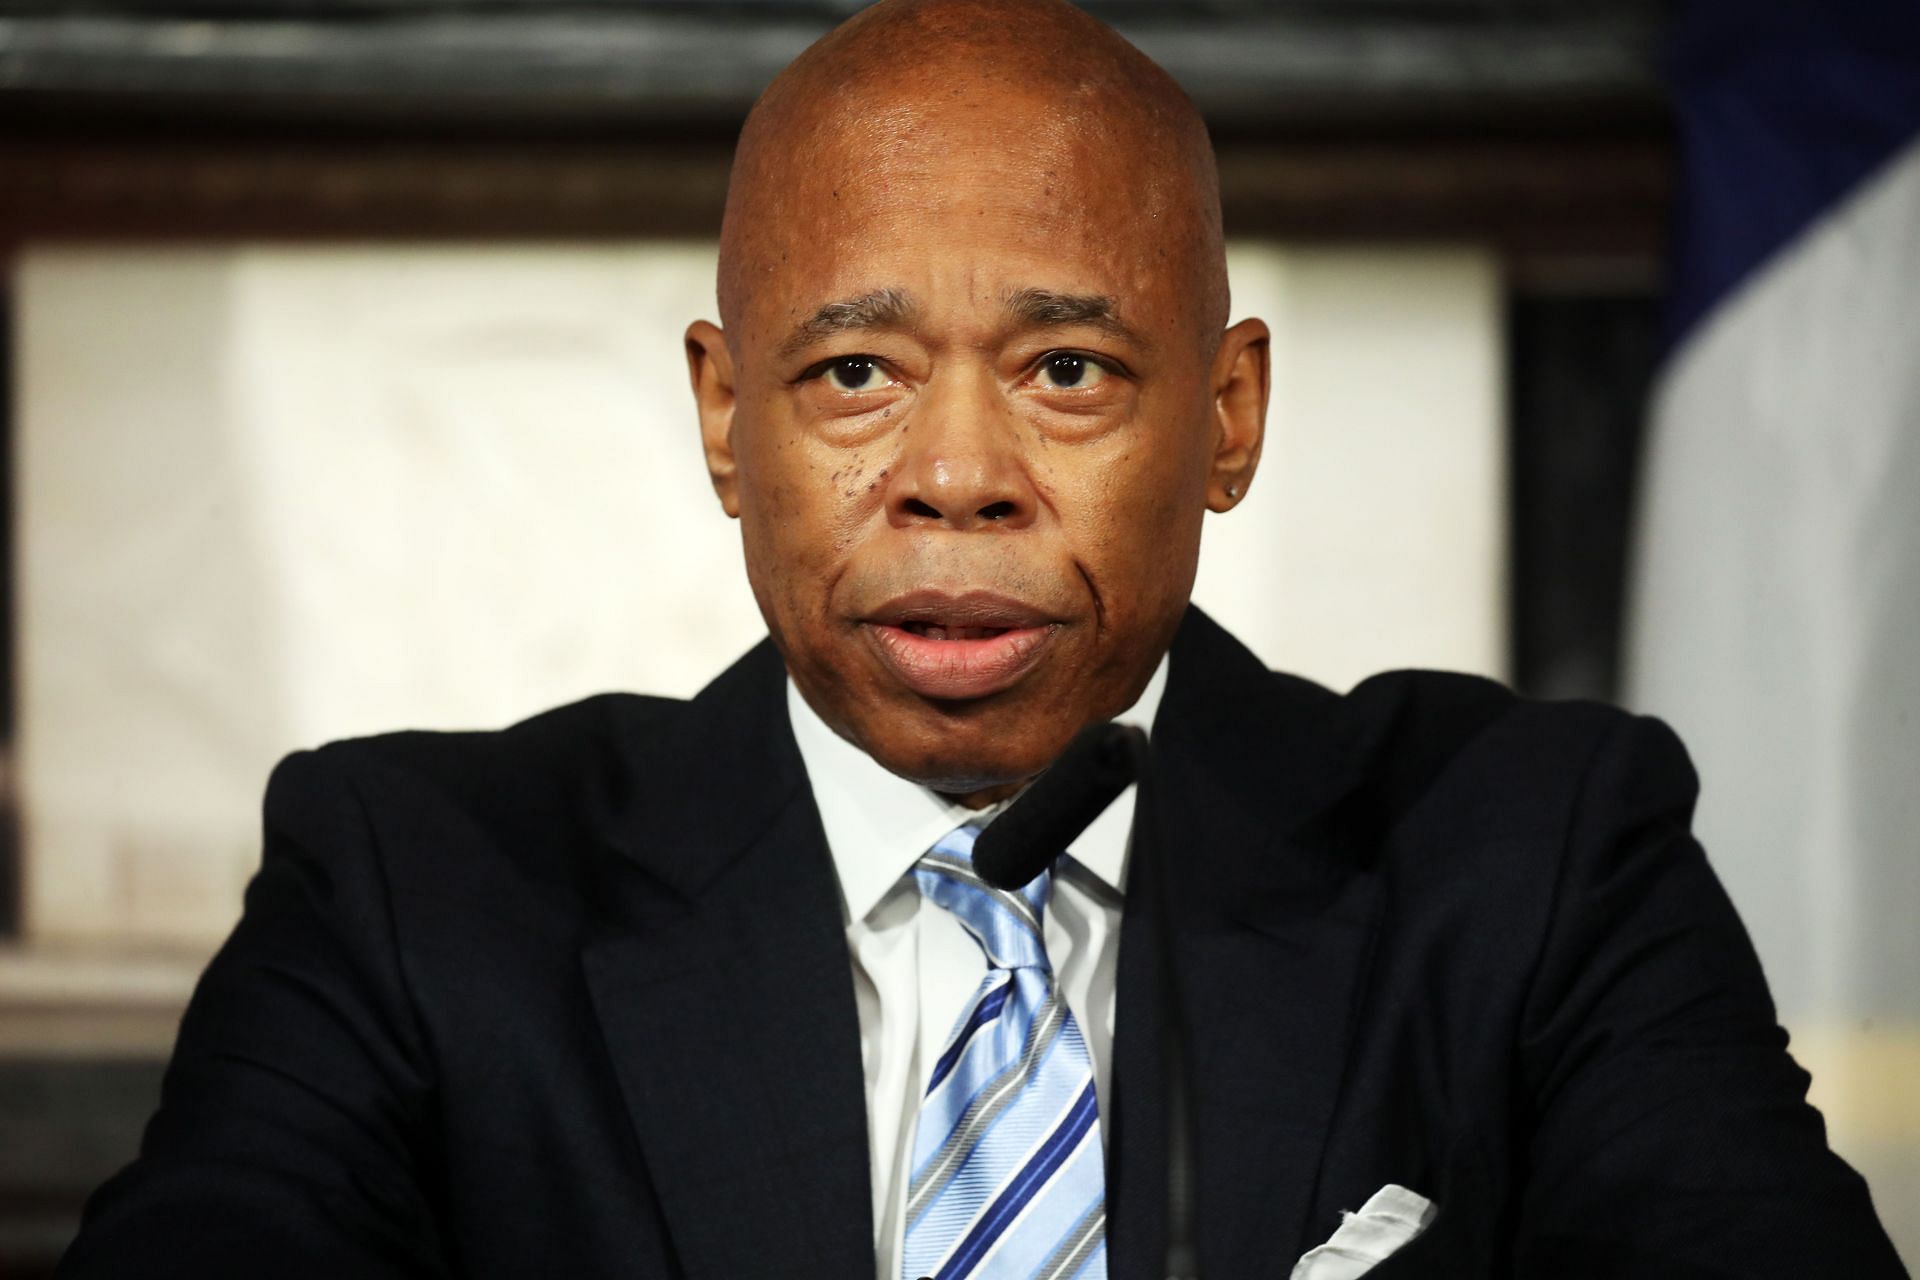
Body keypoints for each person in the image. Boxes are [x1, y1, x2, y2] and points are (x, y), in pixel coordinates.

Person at [60, 1, 1906, 1277]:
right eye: (853, 374)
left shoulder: (1535, 858)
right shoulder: (410, 889)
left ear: (1231, 413)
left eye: (1069, 372)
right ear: (725, 420)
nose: (958, 476)